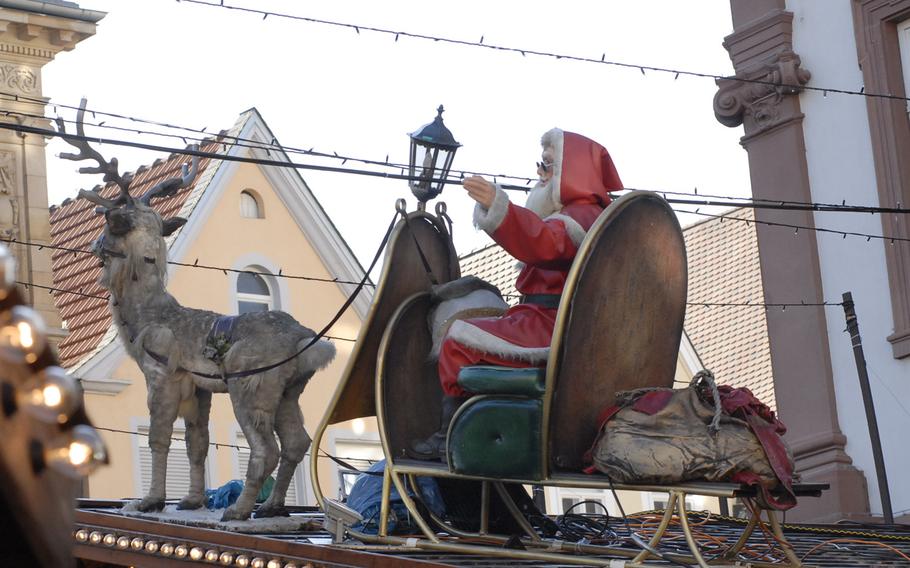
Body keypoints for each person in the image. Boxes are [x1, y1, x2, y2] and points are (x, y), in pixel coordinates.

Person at [408, 127, 623, 460]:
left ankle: (449, 435)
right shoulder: (576, 214)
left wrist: (499, 207)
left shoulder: (580, 216)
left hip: (551, 325)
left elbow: (543, 242)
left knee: (457, 338)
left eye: (546, 166)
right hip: (540, 318)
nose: (539, 173)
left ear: (571, 171)